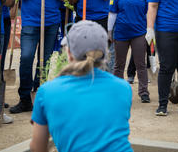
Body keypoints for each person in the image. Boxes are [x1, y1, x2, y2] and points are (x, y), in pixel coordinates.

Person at [30, 20, 133, 152]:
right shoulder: (123, 88)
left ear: (69, 54)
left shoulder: (47, 91)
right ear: (105, 54)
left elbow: (37, 147)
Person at [10, 0, 68, 114]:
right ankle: (24, 98)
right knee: (27, 58)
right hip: (30, 23)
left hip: (51, 23)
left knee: (45, 61)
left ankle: (39, 94)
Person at [108, 0, 150, 103]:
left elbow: (148, 12)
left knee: (140, 64)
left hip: (139, 33)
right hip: (121, 33)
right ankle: (116, 91)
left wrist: (150, 30)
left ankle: (144, 92)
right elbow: (113, 13)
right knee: (119, 64)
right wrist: (109, 31)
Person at [127, 0, 156, 84]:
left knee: (152, 50)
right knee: (137, 50)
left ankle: (151, 74)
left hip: (154, 23)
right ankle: (131, 74)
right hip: (141, 23)